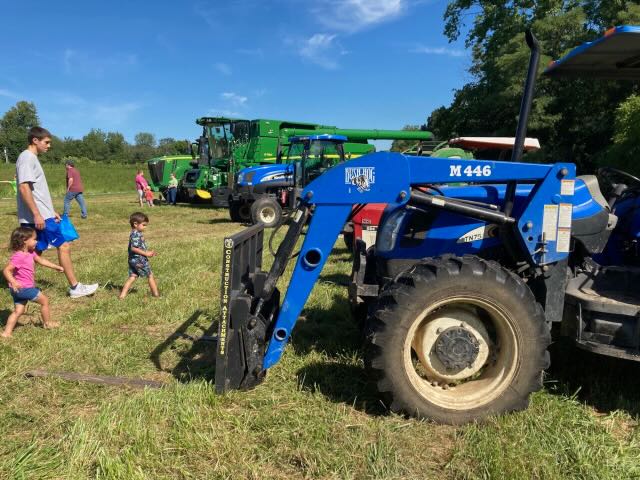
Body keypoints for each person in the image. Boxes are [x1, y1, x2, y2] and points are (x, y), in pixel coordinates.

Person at [16, 126, 98, 298]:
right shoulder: (27, 158)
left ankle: (17, 283)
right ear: (35, 140)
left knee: (34, 251)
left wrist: (51, 211)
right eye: (46, 142)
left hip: (43, 215)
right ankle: (75, 287)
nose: (49, 146)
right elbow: (24, 188)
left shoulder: (31, 158)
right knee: (63, 245)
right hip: (38, 217)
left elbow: (37, 191)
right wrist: (38, 214)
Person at [2, 227, 64, 337]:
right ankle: (47, 323)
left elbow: (41, 260)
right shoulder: (19, 256)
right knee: (44, 301)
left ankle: (7, 332)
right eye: (34, 239)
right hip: (23, 288)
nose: (37, 241)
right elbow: (6, 270)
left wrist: (56, 267)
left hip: (17, 290)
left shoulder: (30, 253)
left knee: (18, 311)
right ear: (25, 240)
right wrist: (14, 281)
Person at [119, 212, 159, 299]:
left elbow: (138, 247)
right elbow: (134, 248)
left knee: (132, 277)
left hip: (133, 260)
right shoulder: (136, 234)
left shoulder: (135, 233)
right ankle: (156, 295)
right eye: (144, 225)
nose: (145, 227)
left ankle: (122, 296)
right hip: (139, 260)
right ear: (135, 224)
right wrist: (146, 254)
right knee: (150, 275)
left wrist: (148, 252)